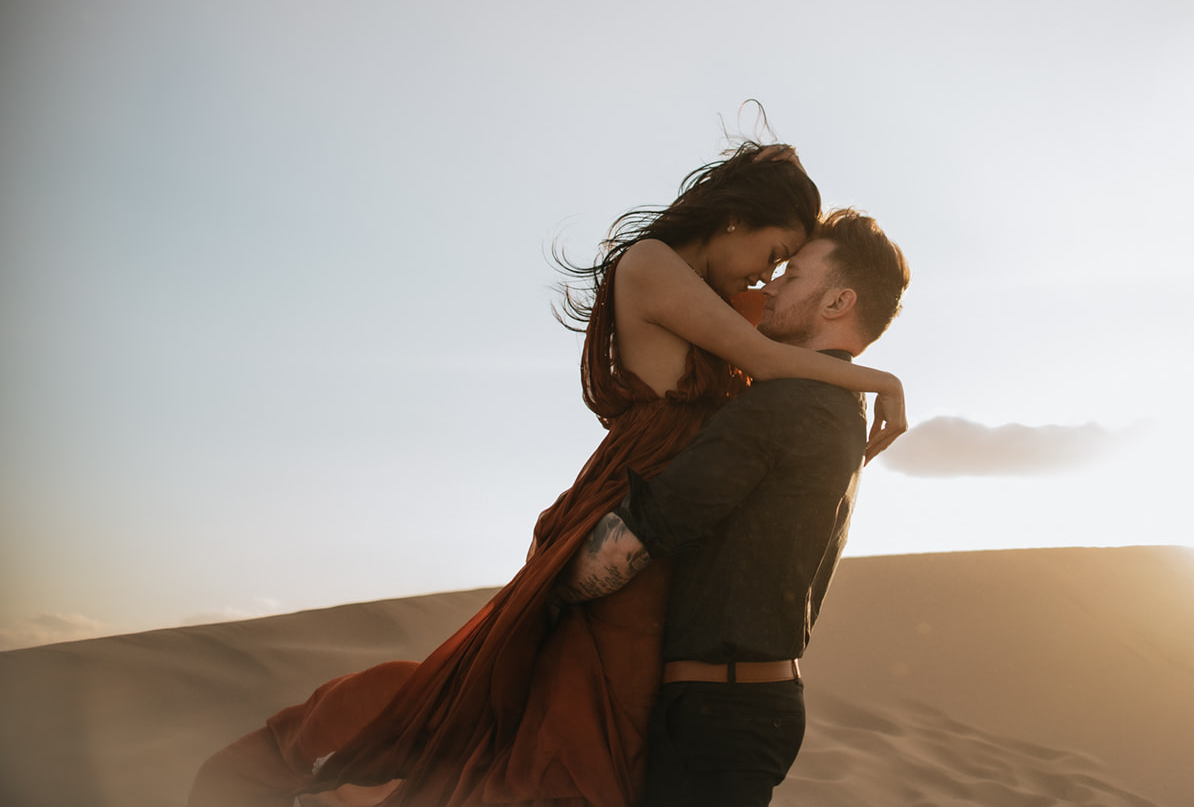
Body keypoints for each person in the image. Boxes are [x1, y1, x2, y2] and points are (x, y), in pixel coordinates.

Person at [188, 142, 906, 807]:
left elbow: (801, 345)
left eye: (787, 269)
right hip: (632, 507)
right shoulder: (653, 266)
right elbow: (780, 361)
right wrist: (883, 381)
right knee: (550, 719)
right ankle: (285, 751)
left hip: (666, 539)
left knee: (548, 711)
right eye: (772, 255)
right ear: (737, 217)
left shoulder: (728, 302)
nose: (767, 278)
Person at [555, 209, 910, 806]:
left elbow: (646, 530)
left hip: (715, 720)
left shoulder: (787, 403)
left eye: (791, 276)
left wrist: (552, 584)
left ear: (837, 302)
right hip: (740, 712)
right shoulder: (841, 407)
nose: (770, 286)